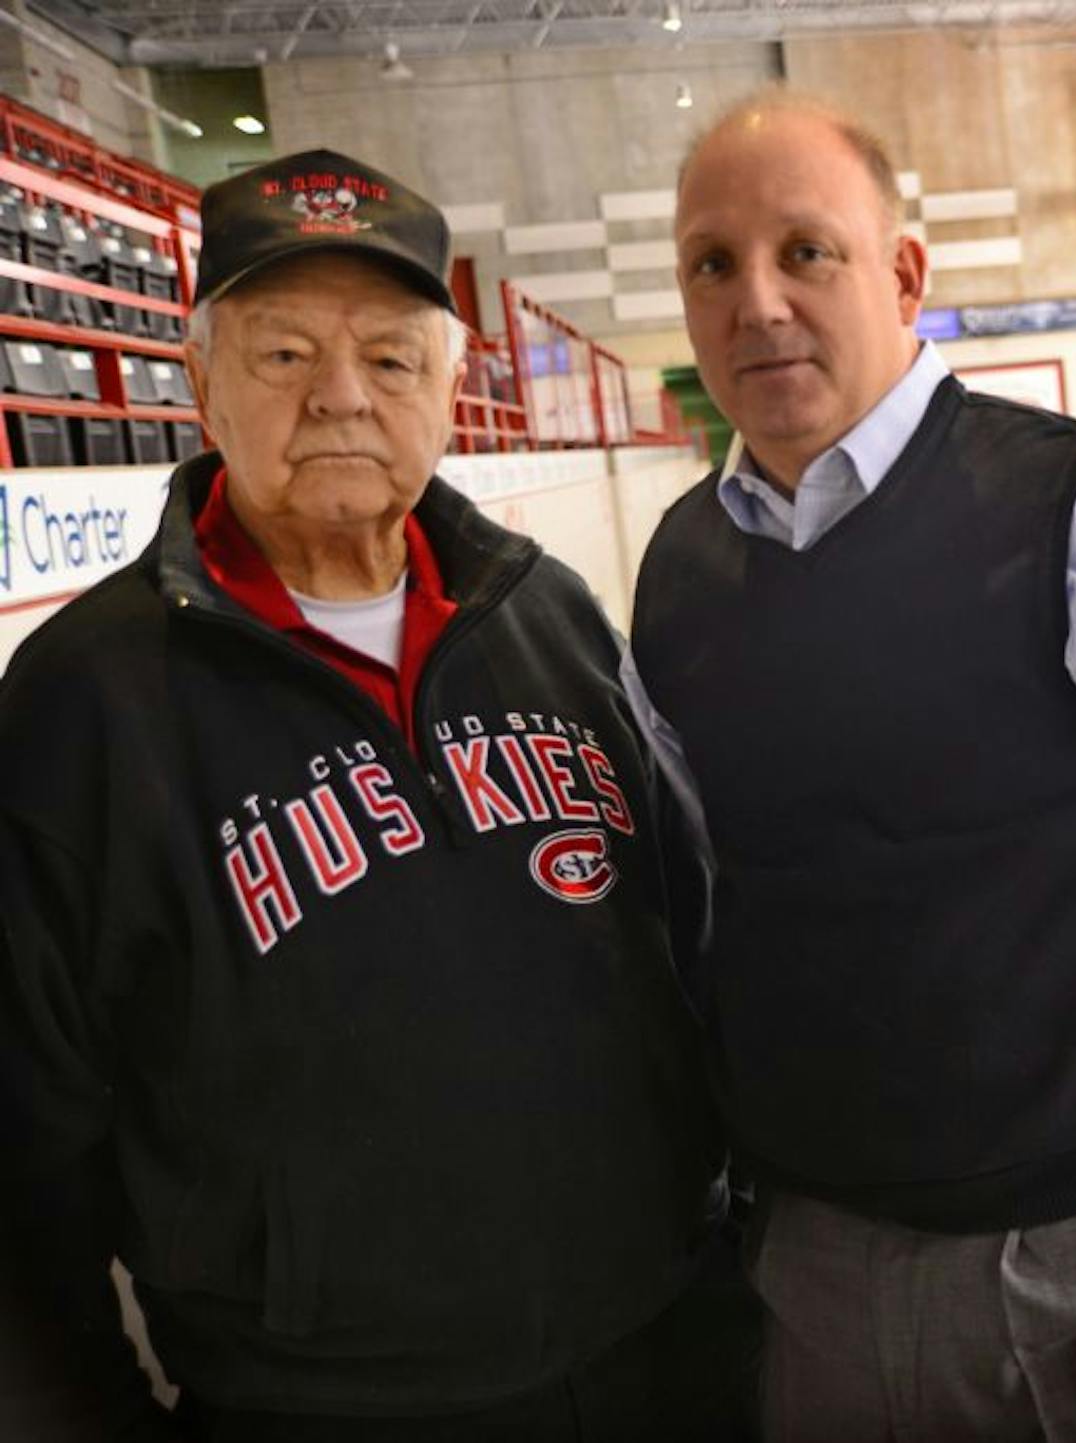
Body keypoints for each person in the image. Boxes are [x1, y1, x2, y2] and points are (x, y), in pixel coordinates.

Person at [631, 92, 1076, 1441]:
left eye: (808, 251)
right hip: (824, 1257)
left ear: (903, 273)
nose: (759, 302)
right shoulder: (677, 574)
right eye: (712, 264)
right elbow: (713, 887)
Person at [0, 149, 755, 1441]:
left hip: (665, 1349)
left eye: (392, 359)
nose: (342, 397)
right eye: (285, 355)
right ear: (202, 384)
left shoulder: (553, 617)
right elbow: (24, 1161)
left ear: (453, 388)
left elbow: (694, 942)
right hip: (327, 1406)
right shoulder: (83, 702)